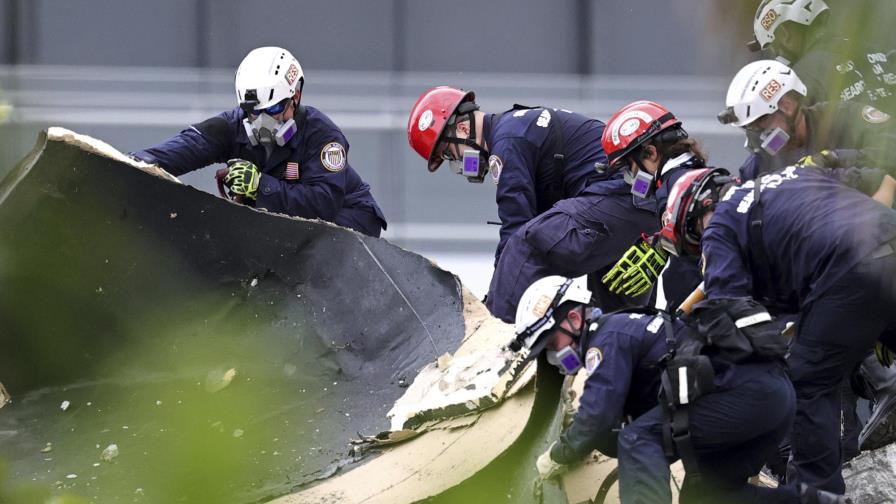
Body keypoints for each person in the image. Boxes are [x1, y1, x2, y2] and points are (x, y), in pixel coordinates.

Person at [657, 165, 896, 494]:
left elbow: (732, 314)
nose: (702, 250)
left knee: (808, 384)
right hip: (887, 239)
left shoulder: (720, 225)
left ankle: (818, 495)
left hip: (848, 270)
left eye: (695, 240)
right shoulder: (788, 178)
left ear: (700, 212)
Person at [514, 276, 843, 503]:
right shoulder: (627, 324)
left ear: (573, 317)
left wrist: (558, 455)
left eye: (551, 342)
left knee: (639, 439)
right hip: (768, 397)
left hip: (746, 395)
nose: (555, 355)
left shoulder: (606, 338)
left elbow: (597, 416)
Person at [132, 46, 387, 237]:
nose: (262, 121)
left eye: (274, 108)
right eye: (254, 111)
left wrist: (259, 185)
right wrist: (130, 165)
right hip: (288, 230)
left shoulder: (323, 136)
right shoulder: (231, 126)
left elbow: (323, 203)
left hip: (351, 223)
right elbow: (182, 149)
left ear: (295, 96)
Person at [406, 86, 610, 262]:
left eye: (450, 153)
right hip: (607, 190)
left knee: (546, 250)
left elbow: (516, 228)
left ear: (462, 128)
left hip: (609, 191)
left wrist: (495, 298)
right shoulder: (510, 129)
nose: (458, 162)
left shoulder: (506, 145)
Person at [596, 101, 707, 311]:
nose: (632, 176)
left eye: (630, 166)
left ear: (651, 153)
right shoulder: (697, 176)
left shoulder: (676, 186)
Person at [718, 59, 896, 181]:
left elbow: (890, 149)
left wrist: (834, 159)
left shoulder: (843, 116)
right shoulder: (761, 163)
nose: (758, 135)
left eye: (760, 122)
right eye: (750, 128)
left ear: (786, 106)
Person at [748, 0, 896, 114]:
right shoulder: (865, 49)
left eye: (774, 46)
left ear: (785, 34)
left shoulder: (803, 76)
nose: (776, 54)